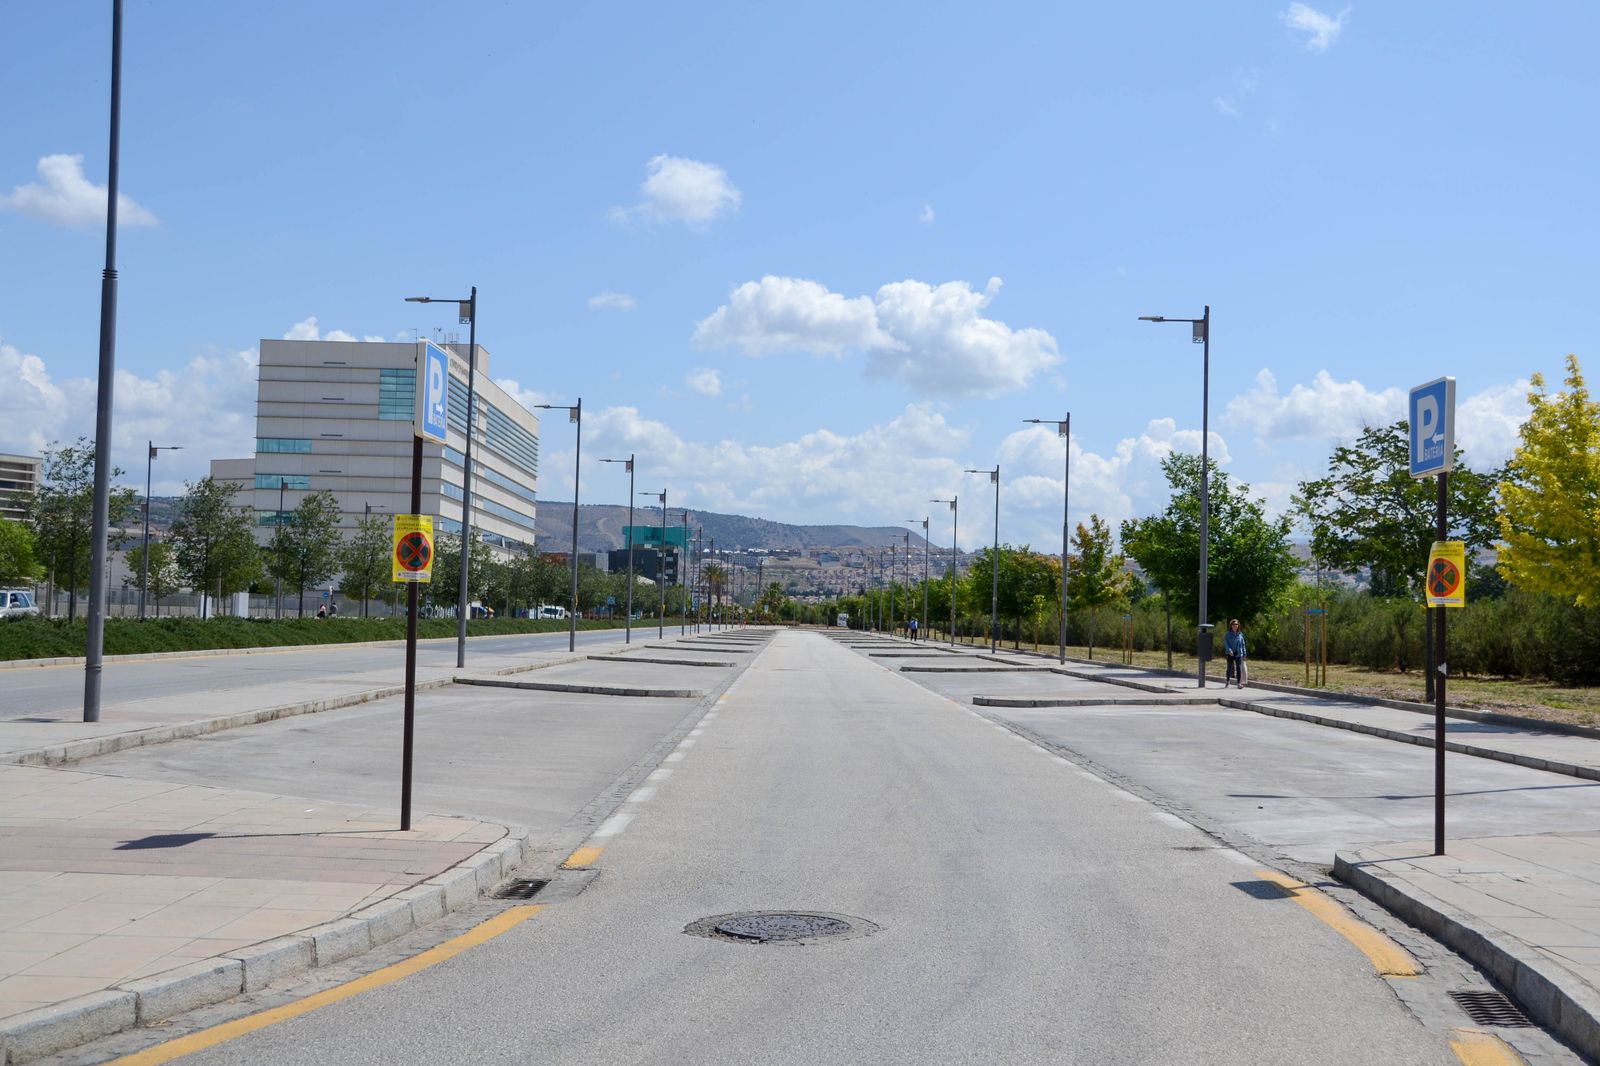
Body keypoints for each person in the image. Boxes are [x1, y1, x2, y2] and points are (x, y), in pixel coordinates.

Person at [1224, 618, 1247, 687]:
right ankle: (1227, 681)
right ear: (1231, 626)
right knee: (1229, 667)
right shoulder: (1227, 634)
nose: (1235, 625)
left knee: (1238, 668)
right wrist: (1229, 650)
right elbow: (1226, 643)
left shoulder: (1240, 634)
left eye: (1236, 624)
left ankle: (1239, 683)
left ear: (1238, 625)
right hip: (1230, 653)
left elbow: (1243, 644)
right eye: (1233, 624)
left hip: (1239, 653)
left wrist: (1244, 654)